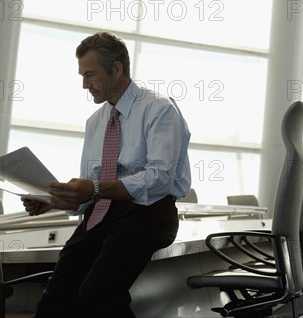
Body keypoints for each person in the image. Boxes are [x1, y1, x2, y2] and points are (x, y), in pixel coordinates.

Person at [22, 31, 191, 317]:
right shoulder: (95, 122)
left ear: (116, 69)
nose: (84, 85)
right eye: (81, 76)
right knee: (55, 300)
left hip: (146, 213)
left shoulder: (159, 110)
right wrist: (56, 200)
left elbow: (160, 178)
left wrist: (95, 189)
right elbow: (91, 190)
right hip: (101, 215)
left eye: (90, 75)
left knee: (98, 293)